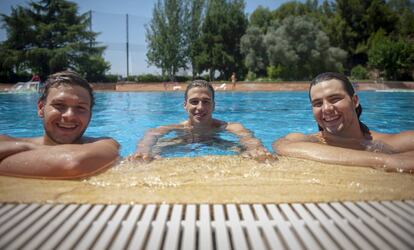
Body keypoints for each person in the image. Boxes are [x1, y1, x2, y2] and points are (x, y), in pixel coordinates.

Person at [273, 72, 414, 172]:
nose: (327, 108)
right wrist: (386, 161)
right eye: (317, 103)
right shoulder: (308, 140)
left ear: (354, 101)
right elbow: (282, 146)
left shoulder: (392, 142)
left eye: (335, 99)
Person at [0, 71, 120, 179]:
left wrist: (26, 148)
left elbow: (73, 165)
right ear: (41, 108)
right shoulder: (4, 140)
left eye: (80, 107)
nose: (70, 115)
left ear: (90, 114)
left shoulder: (105, 144)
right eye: (59, 105)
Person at [131, 80, 273, 162]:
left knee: (241, 151)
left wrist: (255, 149)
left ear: (213, 105)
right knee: (156, 149)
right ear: (185, 105)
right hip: (183, 143)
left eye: (206, 101)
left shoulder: (228, 127)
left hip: (218, 143)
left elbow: (247, 137)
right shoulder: (176, 128)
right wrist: (143, 149)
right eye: (194, 102)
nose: (200, 107)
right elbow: (152, 134)